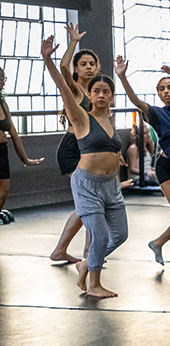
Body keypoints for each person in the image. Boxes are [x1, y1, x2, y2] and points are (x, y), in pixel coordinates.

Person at [42, 35, 127, 298]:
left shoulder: (111, 121)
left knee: (120, 235)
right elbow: (63, 86)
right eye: (97, 92)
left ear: (112, 97)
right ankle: (93, 284)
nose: (101, 95)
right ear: (89, 95)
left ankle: (85, 263)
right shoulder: (81, 117)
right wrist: (48, 59)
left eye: (106, 92)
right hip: (88, 183)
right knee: (99, 235)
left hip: (111, 187)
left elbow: (112, 149)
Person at [116, 61, 170, 273]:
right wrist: (123, 77)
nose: (166, 92)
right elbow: (135, 101)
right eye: (162, 89)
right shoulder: (157, 114)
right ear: (159, 95)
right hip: (168, 167)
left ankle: (158, 243)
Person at [49, 23, 98, 264]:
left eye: (92, 64)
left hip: (89, 149)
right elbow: (62, 67)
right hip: (72, 149)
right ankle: (67, 250)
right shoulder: (75, 90)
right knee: (87, 202)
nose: (88, 67)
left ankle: (89, 250)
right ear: (77, 70)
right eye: (84, 64)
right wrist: (73, 42)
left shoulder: (97, 92)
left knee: (92, 202)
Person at [0, 66, 44, 213]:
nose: (1, 80)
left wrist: (25, 159)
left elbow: (14, 135)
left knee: (4, 191)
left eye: (2, 77)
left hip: (2, 151)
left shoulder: (3, 104)